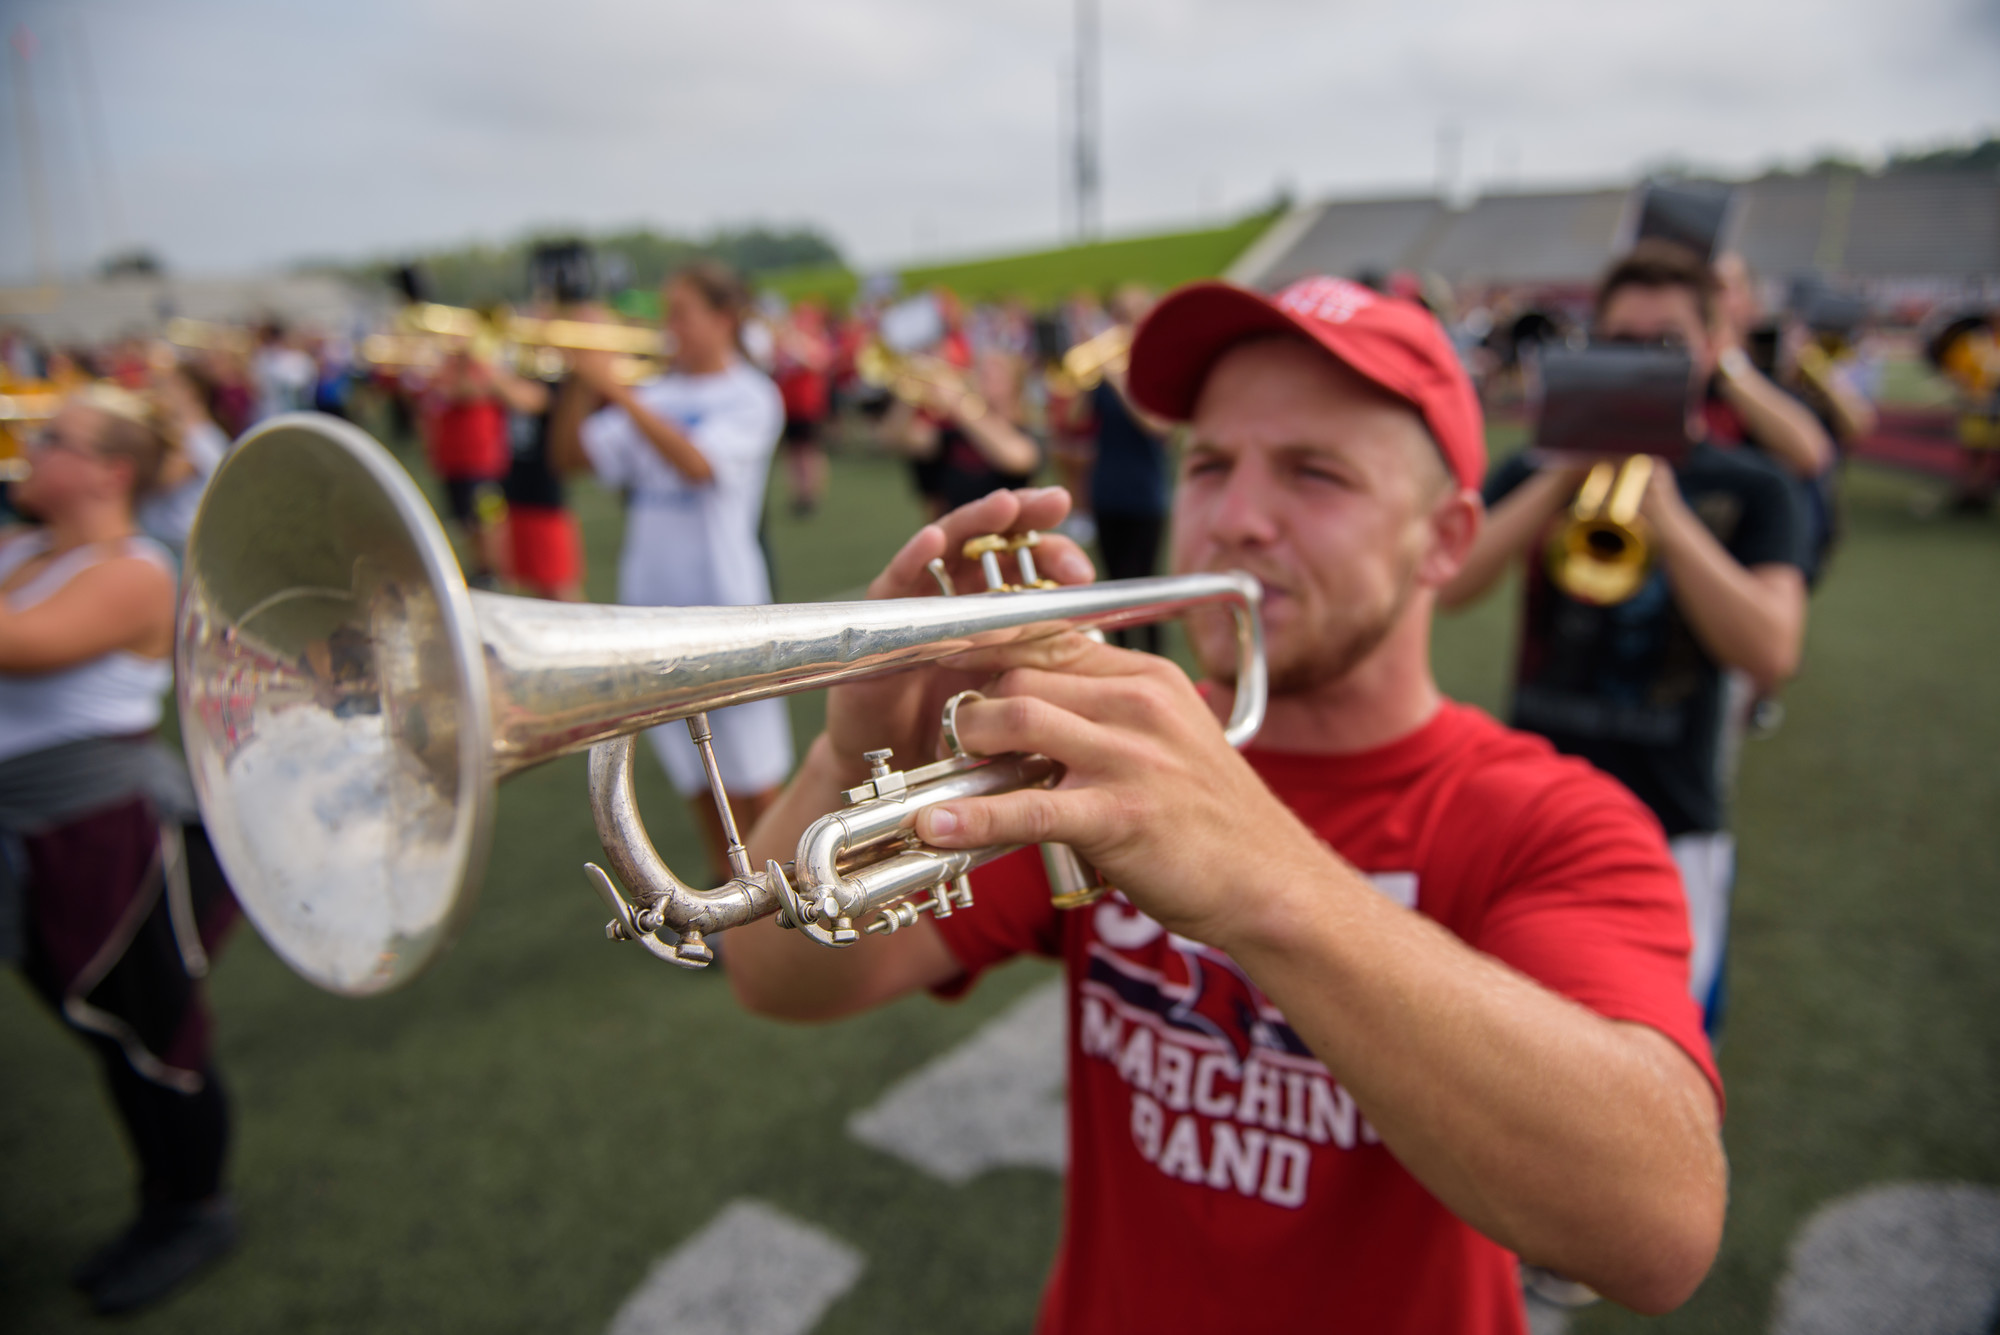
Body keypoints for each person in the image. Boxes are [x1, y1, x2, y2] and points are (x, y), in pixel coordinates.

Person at [728, 275, 1726, 1333]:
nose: (1233, 520)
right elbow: (781, 981)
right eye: (1206, 464)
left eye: (1315, 474)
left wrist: (1261, 876)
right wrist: (848, 762)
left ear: (1442, 540)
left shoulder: (1556, 820)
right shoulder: (1096, 759)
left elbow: (1655, 1233)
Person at [1442, 242, 1810, 1033]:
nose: (1642, 361)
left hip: (1669, 820)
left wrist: (1673, 522)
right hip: (1529, 805)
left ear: (1713, 349)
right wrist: (1557, 477)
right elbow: (1448, 585)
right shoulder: (1541, 468)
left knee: (1653, 1048)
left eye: (1667, 344)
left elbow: (1773, 650)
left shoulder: (1754, 486)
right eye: (1622, 343)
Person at [1, 385, 240, 1313]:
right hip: (31, 828)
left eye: (52, 437)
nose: (31, 445)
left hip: (108, 829)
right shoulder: (23, 547)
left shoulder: (138, 568)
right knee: (100, 1027)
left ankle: (194, 1207)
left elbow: (18, 645)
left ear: (109, 470)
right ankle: (161, 1200)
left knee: (155, 1031)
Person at [549, 261, 793, 883]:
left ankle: (780, 890)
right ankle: (726, 896)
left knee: (754, 773)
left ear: (723, 318)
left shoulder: (751, 394)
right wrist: (582, 378)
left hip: (725, 602)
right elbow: (570, 457)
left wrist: (620, 391)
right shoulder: (656, 393)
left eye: (682, 313)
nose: (669, 326)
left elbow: (698, 466)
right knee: (694, 773)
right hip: (650, 600)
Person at [1080, 285, 1173, 653]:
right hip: (1107, 489)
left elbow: (1158, 425)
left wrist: (1116, 378)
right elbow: (1077, 423)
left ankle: (1155, 659)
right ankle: (1121, 656)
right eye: (1121, 313)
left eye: (1135, 312)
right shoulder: (1104, 371)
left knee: (1148, 587)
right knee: (1114, 588)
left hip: (1145, 493)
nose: (1127, 321)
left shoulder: (1157, 367)